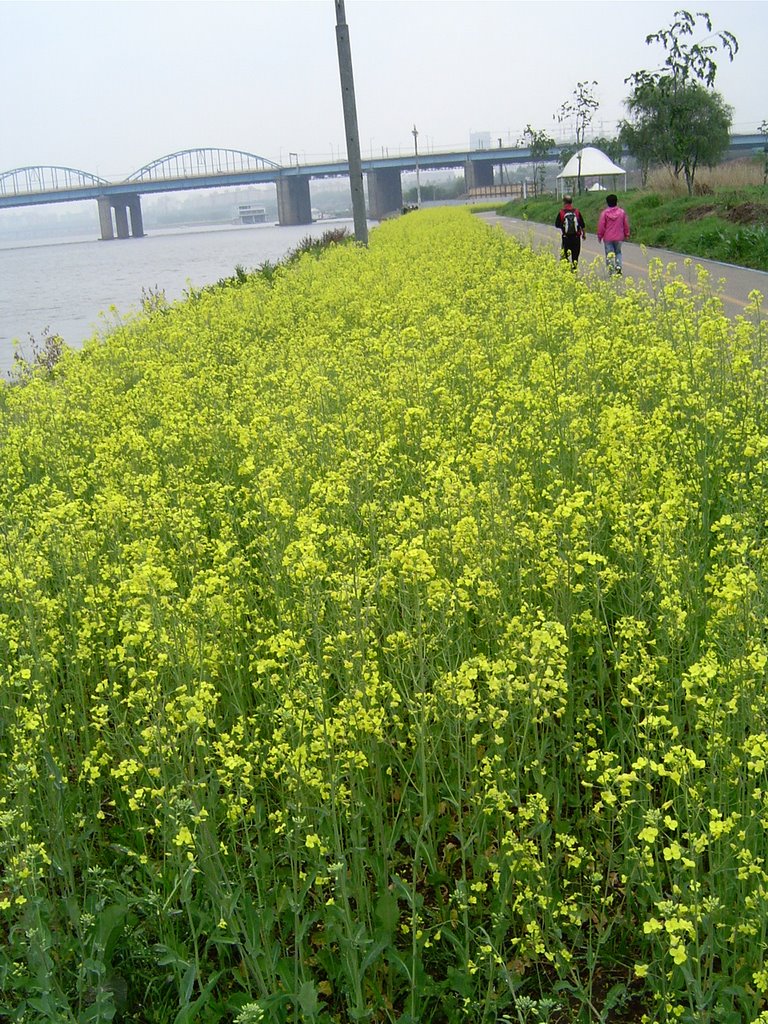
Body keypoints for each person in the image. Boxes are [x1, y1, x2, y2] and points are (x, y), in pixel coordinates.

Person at [596, 193, 630, 275]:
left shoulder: (604, 213)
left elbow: (601, 226)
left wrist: (600, 236)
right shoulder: (622, 212)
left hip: (608, 238)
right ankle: (618, 267)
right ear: (616, 202)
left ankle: (611, 270)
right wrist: (627, 233)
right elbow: (625, 224)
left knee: (609, 254)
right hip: (619, 237)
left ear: (607, 202)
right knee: (618, 252)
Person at [555, 194, 586, 270]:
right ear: (571, 202)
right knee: (575, 257)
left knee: (564, 256)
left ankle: (567, 271)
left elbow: (557, 224)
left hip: (566, 238)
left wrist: (564, 227)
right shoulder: (577, 212)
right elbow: (582, 224)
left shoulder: (562, 212)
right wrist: (583, 234)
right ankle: (574, 271)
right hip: (576, 238)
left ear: (564, 202)